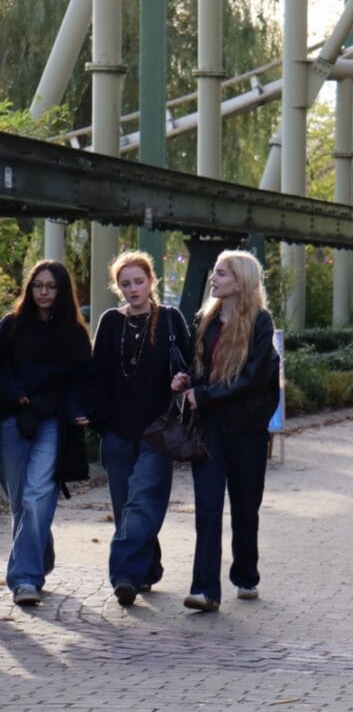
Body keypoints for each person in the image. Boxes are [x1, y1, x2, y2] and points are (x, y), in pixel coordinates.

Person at [171, 250, 279, 612]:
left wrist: (204, 394)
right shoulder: (205, 319)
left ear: (240, 282)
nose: (213, 279)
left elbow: (252, 379)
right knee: (207, 509)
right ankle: (205, 590)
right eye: (215, 272)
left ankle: (246, 573)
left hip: (247, 428)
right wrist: (186, 379)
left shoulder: (260, 323)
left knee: (246, 508)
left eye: (221, 274)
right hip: (210, 428)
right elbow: (197, 366)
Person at [91, 251, 190, 606]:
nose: (133, 289)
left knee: (143, 502)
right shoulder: (110, 322)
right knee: (127, 507)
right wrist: (100, 422)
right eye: (125, 283)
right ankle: (148, 568)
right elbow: (97, 374)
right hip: (116, 432)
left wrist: (182, 379)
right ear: (117, 286)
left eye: (139, 281)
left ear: (151, 282)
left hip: (156, 429)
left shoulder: (170, 320)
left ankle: (125, 577)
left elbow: (189, 363)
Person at [0, 261, 91, 607]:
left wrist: (79, 409)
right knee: (22, 502)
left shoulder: (73, 333)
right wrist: (14, 392)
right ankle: (39, 553)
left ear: (61, 290)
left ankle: (25, 579)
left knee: (36, 497)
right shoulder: (11, 326)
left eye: (51, 286)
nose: (43, 292)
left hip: (52, 421)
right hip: (12, 419)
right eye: (38, 285)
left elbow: (83, 378)